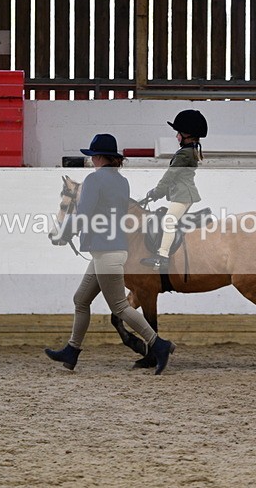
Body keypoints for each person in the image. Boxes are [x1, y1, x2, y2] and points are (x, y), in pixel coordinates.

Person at [45, 133, 176, 375]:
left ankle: (159, 344)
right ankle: (72, 350)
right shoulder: (122, 181)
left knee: (120, 307)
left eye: (93, 156)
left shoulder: (94, 180)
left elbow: (84, 214)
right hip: (113, 249)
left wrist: (64, 232)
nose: (91, 160)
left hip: (105, 252)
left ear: (98, 157)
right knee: (81, 300)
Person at [140, 109, 207, 270]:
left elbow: (170, 176)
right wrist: (158, 193)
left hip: (183, 195)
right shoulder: (189, 151)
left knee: (168, 221)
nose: (177, 136)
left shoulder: (184, 154)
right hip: (183, 193)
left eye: (178, 133)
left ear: (187, 134)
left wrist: (157, 191)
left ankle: (162, 257)